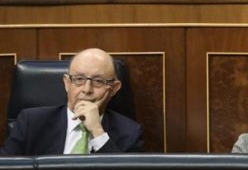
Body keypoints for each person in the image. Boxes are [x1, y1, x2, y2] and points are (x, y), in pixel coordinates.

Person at [0, 48, 143, 155]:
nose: (87, 90)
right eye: (79, 79)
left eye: (98, 81)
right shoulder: (31, 122)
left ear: (114, 88)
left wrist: (97, 132)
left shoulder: (130, 133)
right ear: (67, 83)